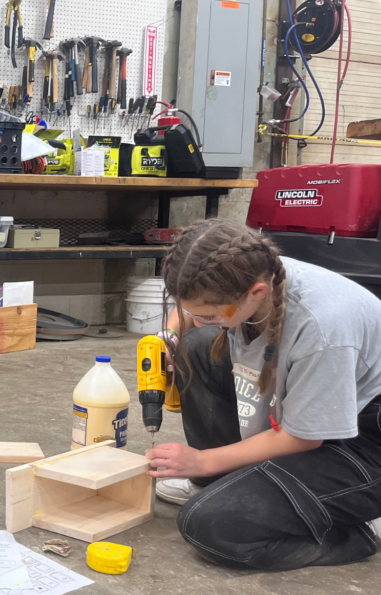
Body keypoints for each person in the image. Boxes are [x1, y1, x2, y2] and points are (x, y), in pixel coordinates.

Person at [148, 219, 381, 570]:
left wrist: (203, 459)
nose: (197, 320)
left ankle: (358, 529)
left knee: (212, 527)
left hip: (364, 440)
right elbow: (192, 313)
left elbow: (303, 438)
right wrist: (168, 335)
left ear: (256, 293)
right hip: (321, 409)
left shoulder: (323, 328)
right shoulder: (255, 270)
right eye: (190, 311)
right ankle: (217, 484)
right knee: (196, 345)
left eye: (209, 314)